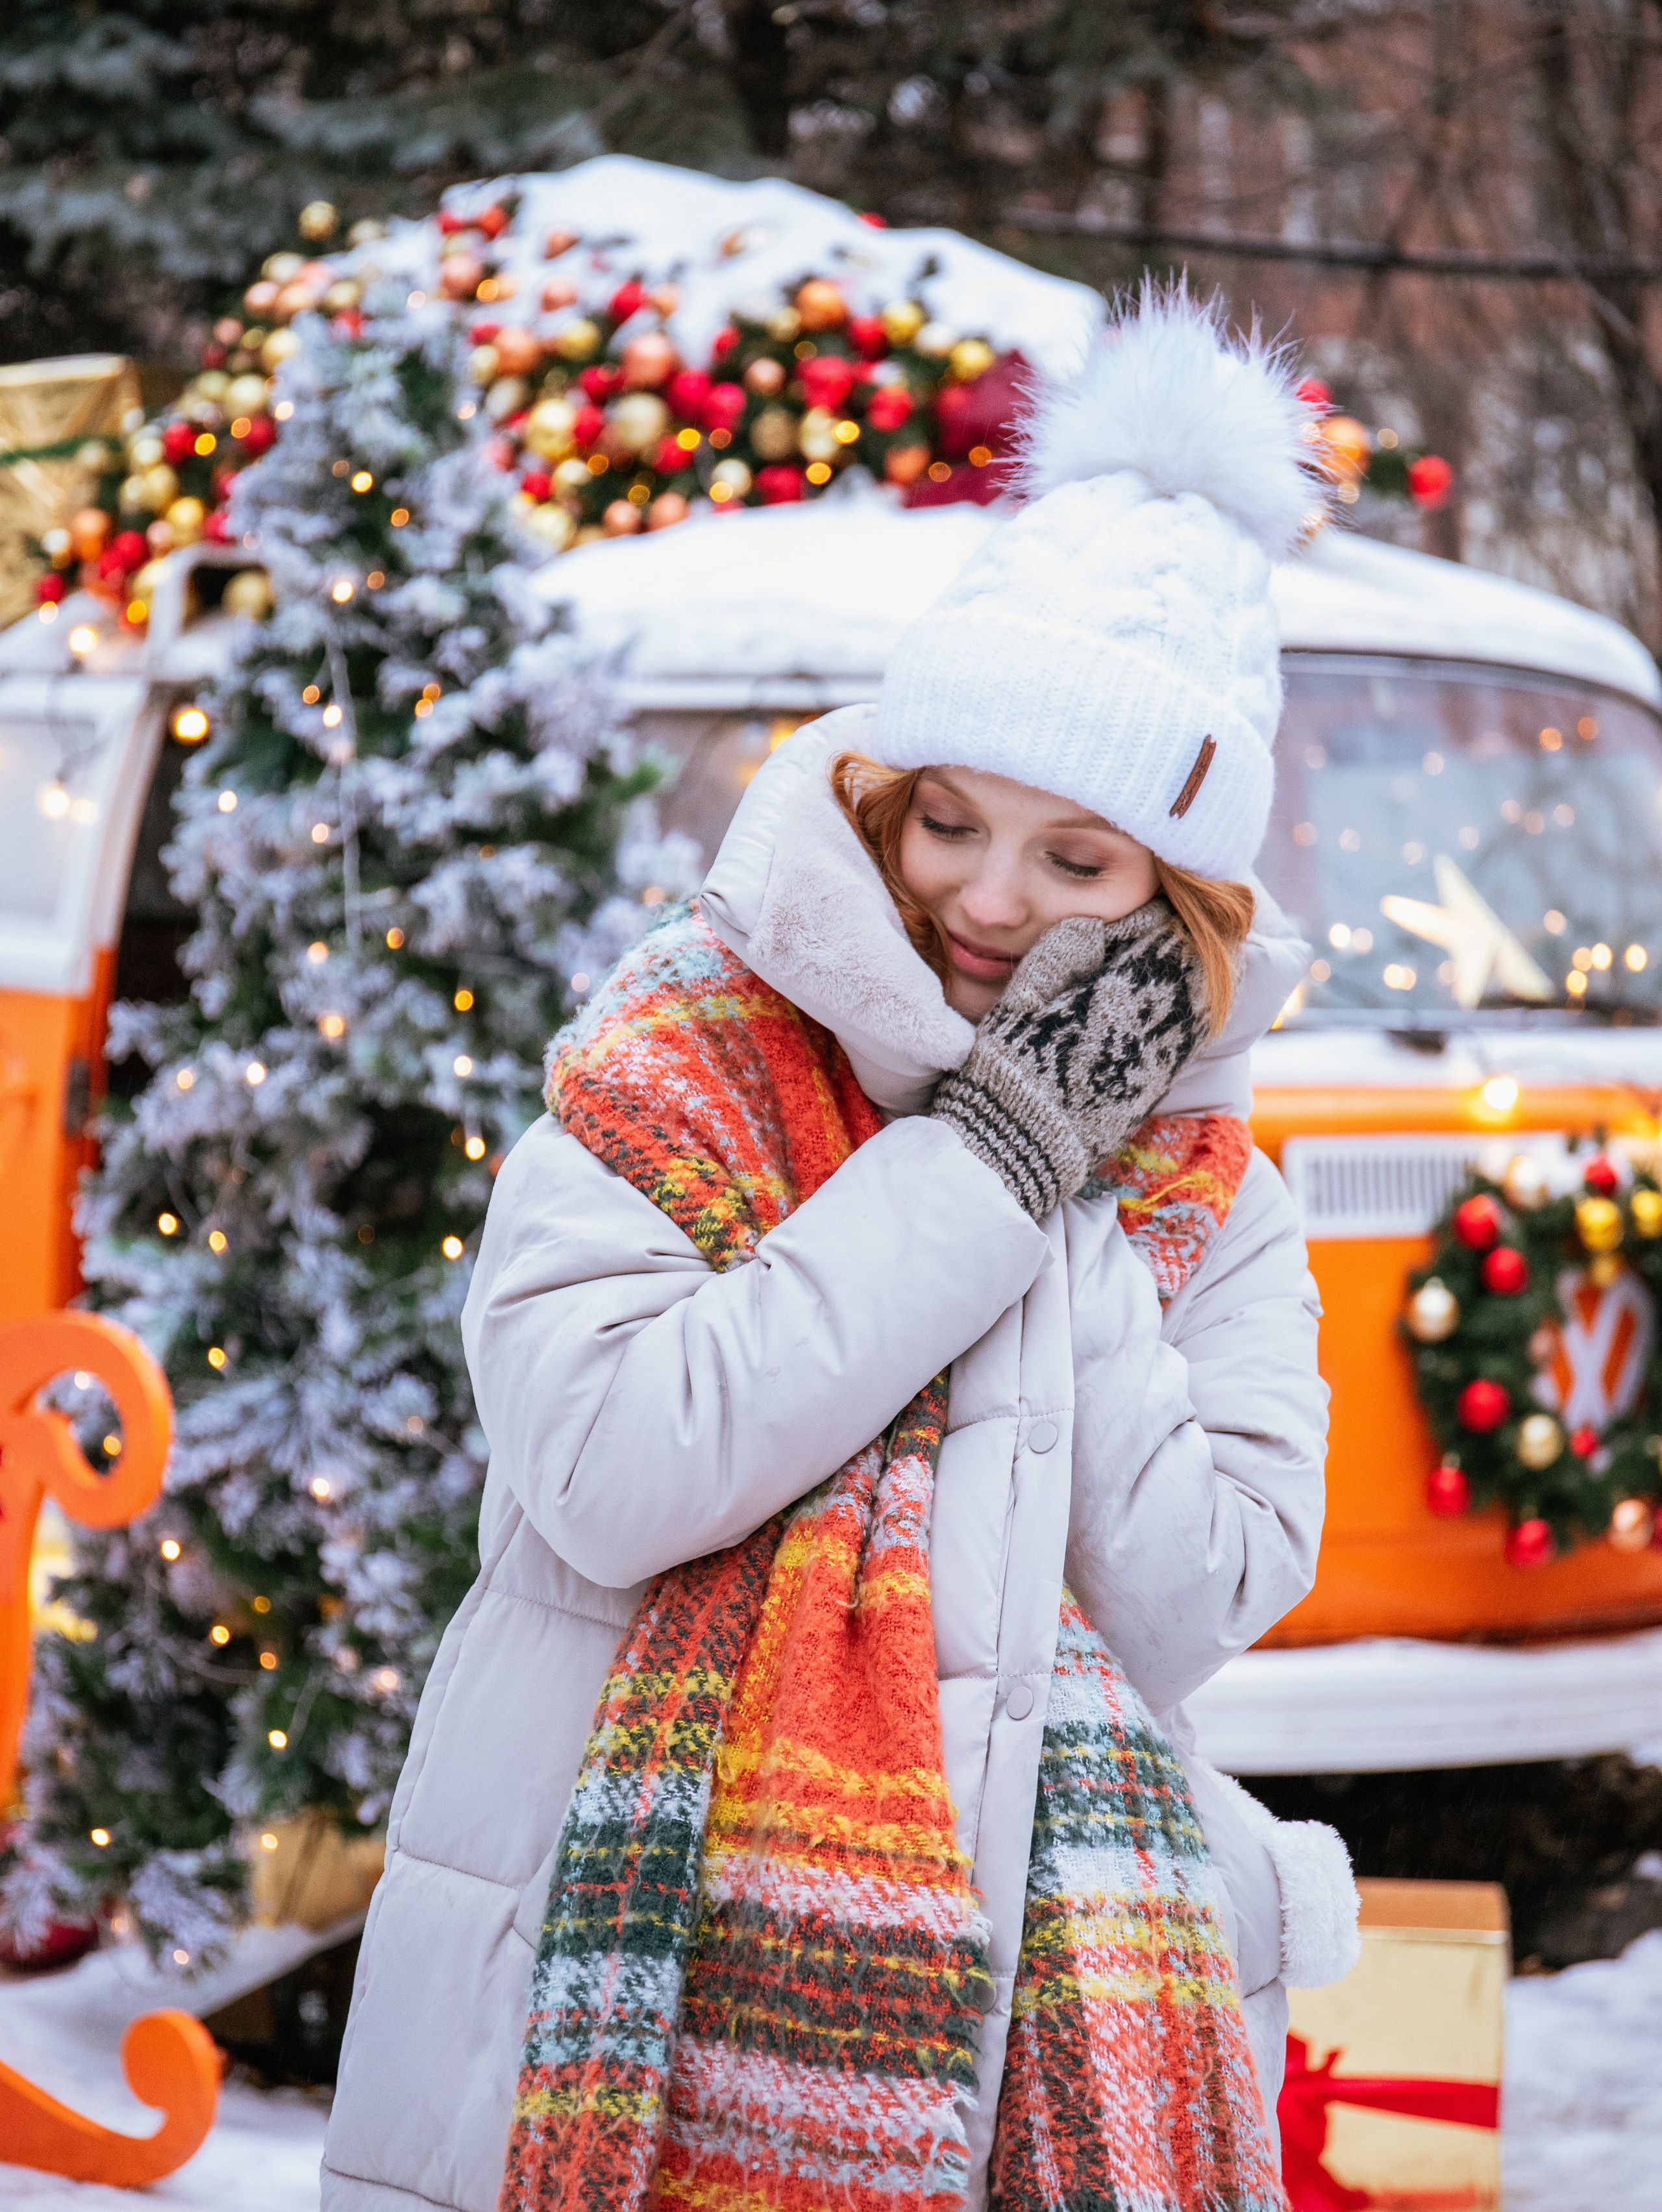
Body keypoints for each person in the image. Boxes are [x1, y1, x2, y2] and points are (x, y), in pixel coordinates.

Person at [321, 284, 1358, 2212]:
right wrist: (989, 1163)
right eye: (950, 821)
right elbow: (618, 1474)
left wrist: (1080, 1182)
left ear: (1176, 895)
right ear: (880, 790)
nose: (985, 896)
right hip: (595, 2008)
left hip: (1021, 2061)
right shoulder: (677, 1058)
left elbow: (1199, 1592)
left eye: (1077, 860)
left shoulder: (1213, 1189)